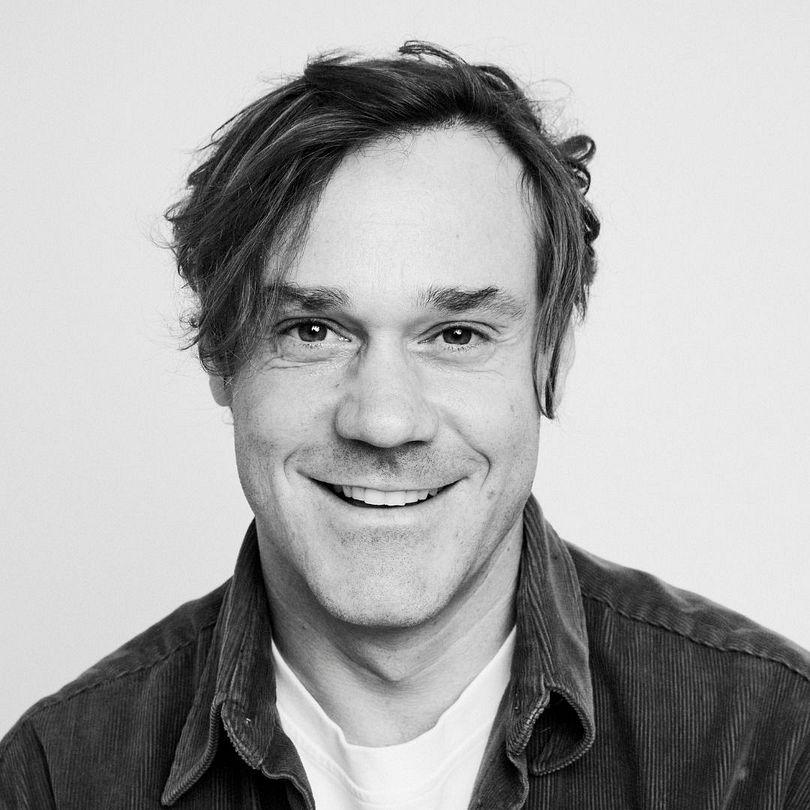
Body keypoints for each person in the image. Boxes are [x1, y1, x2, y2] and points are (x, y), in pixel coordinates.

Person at [1, 41, 808, 810]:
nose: (384, 421)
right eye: (312, 331)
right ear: (220, 356)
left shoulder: (775, 745)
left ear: (553, 361)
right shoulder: (55, 777)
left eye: (457, 335)